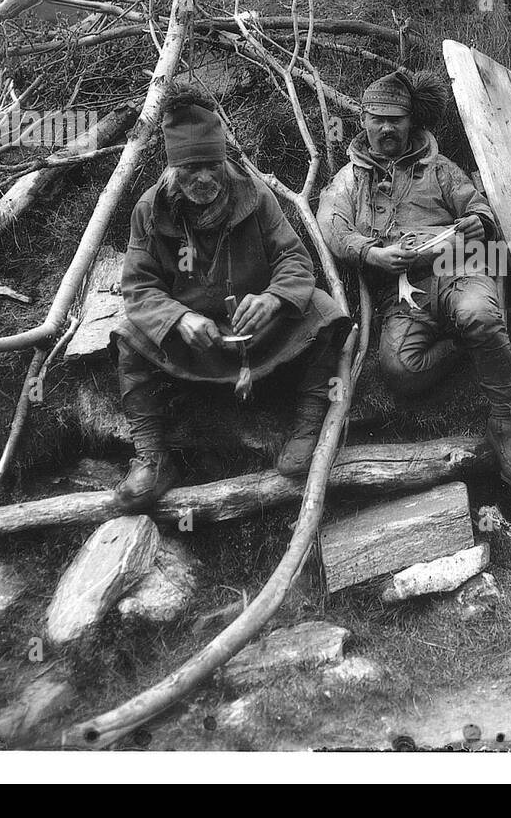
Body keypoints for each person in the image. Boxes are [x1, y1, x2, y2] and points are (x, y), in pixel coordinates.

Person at [111, 88, 350, 511]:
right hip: (196, 343)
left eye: (211, 166)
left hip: (258, 332)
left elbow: (294, 259)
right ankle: (152, 457)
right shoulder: (149, 212)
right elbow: (139, 286)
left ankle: (307, 426)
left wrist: (274, 299)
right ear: (172, 169)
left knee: (324, 311)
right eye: (190, 168)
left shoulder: (256, 198)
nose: (203, 178)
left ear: (224, 160)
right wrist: (178, 318)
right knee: (129, 334)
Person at [316, 70, 511, 492]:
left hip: (456, 268)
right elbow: (332, 228)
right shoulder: (349, 180)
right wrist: (373, 253)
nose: (386, 128)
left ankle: (509, 421)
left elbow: (478, 208)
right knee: (401, 369)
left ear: (410, 122)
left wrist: (477, 223)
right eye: (377, 118)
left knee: (478, 311)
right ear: (362, 119)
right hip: (401, 293)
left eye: (396, 120)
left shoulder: (438, 168)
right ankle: (466, 343)